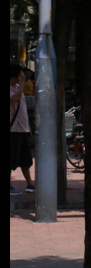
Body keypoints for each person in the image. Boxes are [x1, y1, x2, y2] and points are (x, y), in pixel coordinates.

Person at [9, 65, 34, 196]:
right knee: (11, 159)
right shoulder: (13, 89)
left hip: (23, 129)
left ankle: (30, 183)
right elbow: (16, 98)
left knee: (26, 159)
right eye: (20, 75)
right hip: (13, 130)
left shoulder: (18, 88)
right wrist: (23, 82)